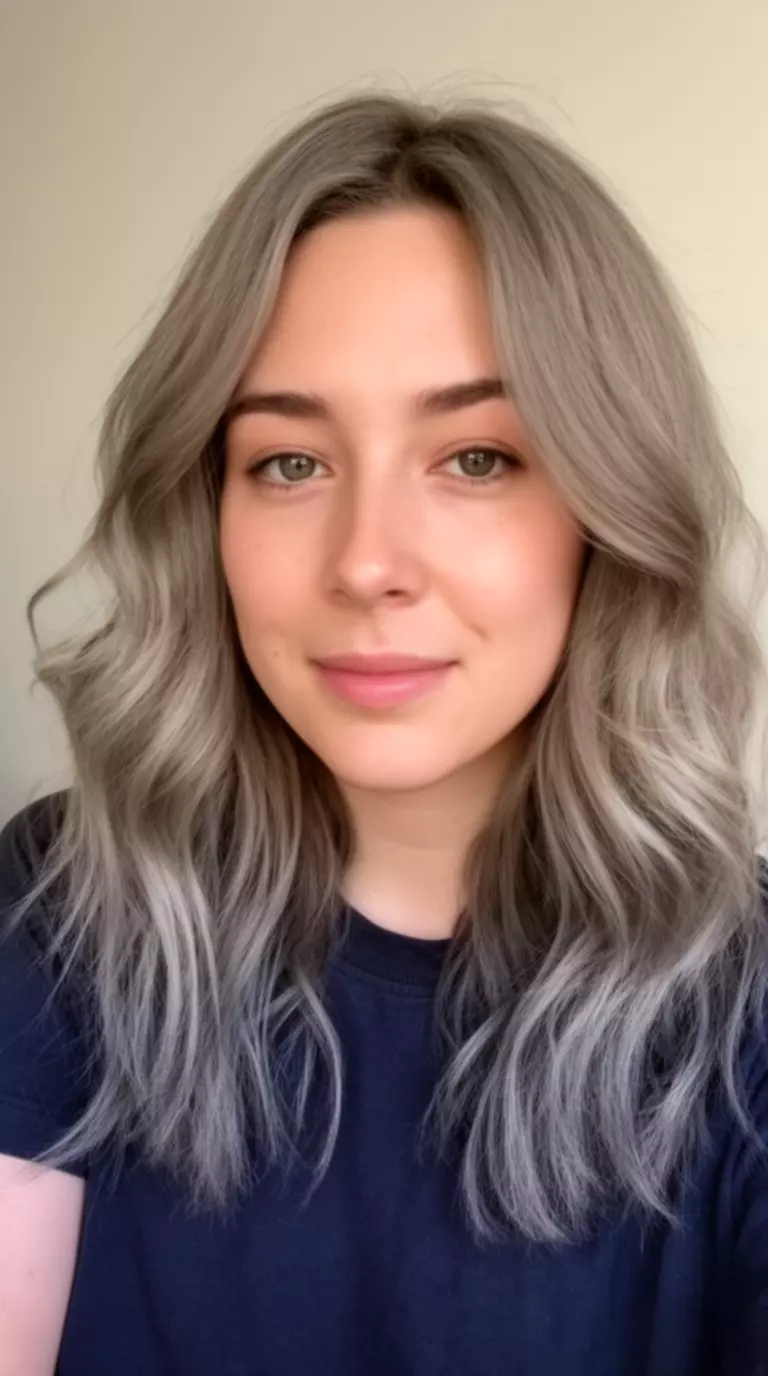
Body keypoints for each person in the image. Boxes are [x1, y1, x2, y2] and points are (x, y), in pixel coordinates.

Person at [1, 89, 767, 1376]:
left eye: (476, 458)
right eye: (289, 463)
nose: (366, 564)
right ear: (208, 514)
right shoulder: (62, 911)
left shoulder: (744, 1014)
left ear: (610, 510)